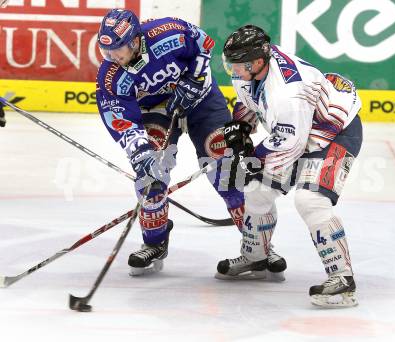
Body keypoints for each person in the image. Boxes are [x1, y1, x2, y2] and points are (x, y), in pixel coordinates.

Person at [95, 10, 286, 277]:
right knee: (150, 178)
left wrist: (194, 81)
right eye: (107, 51)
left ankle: (259, 248)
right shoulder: (111, 76)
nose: (113, 57)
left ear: (136, 40)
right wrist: (139, 150)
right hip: (157, 111)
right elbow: (121, 120)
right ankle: (154, 242)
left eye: (118, 49)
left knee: (227, 173)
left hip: (202, 101)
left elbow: (202, 42)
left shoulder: (167, 32)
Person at [216, 25, 362, 307]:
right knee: (257, 190)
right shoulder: (250, 68)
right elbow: (250, 102)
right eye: (230, 64)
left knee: (311, 200)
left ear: (257, 61)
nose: (232, 71)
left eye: (237, 65)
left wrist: (253, 158)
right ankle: (256, 257)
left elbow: (291, 145)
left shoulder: (288, 93)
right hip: (297, 130)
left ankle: (343, 281)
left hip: (332, 132)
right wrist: (241, 127)